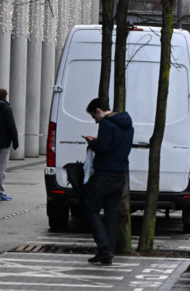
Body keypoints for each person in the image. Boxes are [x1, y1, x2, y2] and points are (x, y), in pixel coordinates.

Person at [84, 98, 134, 266]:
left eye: (93, 116)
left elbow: (104, 147)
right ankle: (108, 251)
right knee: (112, 213)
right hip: (120, 176)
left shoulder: (106, 123)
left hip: (104, 174)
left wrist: (93, 143)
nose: (95, 120)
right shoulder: (127, 124)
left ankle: (104, 248)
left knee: (91, 208)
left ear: (99, 110)